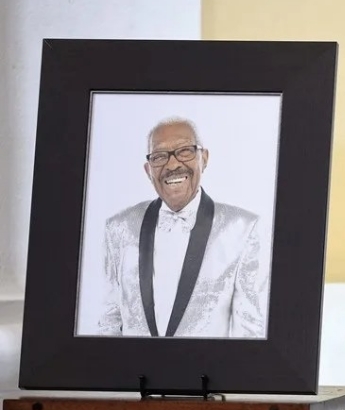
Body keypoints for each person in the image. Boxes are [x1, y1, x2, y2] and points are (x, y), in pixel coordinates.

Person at [96, 117, 268, 338]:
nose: (173, 164)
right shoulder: (118, 228)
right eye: (159, 156)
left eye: (185, 151)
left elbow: (251, 333)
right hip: (134, 371)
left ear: (203, 158)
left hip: (207, 372)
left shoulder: (244, 229)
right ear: (148, 170)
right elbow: (108, 322)